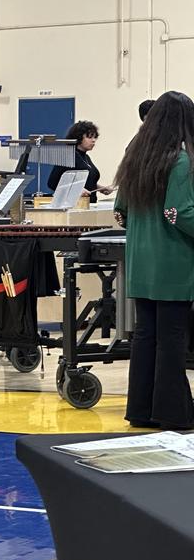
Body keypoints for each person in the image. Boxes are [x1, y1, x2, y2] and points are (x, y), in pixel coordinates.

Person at [113, 90, 194, 430]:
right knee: (172, 340)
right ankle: (172, 413)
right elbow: (180, 212)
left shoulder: (135, 158)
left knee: (145, 338)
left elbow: (121, 210)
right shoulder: (180, 161)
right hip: (172, 263)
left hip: (141, 264)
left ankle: (141, 410)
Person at [47, 120, 113, 200]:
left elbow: (86, 182)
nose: (93, 140)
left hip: (90, 203)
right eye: (89, 137)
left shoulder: (86, 157)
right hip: (75, 204)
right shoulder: (69, 156)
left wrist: (101, 188)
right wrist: (75, 190)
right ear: (78, 137)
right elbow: (52, 183)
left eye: (95, 137)